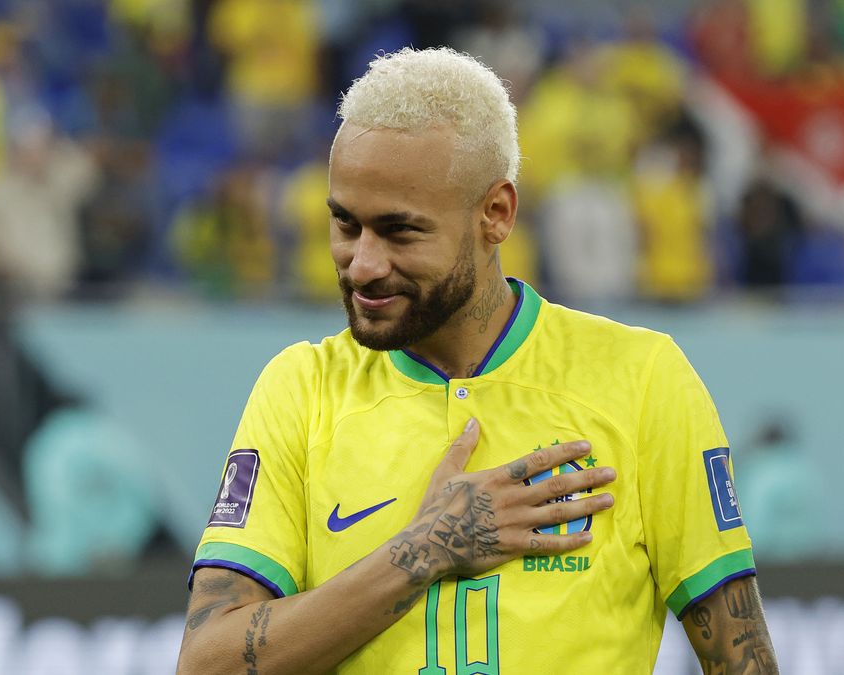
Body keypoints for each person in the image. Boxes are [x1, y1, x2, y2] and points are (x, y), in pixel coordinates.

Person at [177, 48, 778, 675]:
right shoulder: (299, 390)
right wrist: (428, 547)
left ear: (496, 214)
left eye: (400, 231)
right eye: (346, 224)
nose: (363, 264)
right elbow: (207, 664)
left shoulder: (643, 378)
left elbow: (741, 660)